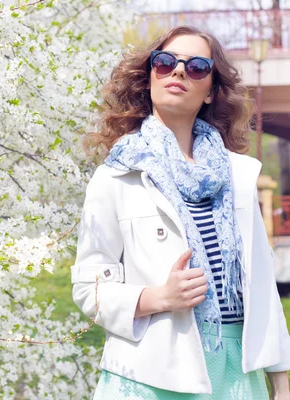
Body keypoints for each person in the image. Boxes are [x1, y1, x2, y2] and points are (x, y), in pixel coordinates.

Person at [70, 25, 290, 399]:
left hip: (238, 370)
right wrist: (158, 298)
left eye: (197, 67)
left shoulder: (237, 174)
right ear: (150, 77)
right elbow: (88, 287)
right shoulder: (117, 174)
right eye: (166, 61)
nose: (178, 71)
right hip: (152, 372)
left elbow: (262, 284)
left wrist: (281, 382)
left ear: (210, 91)